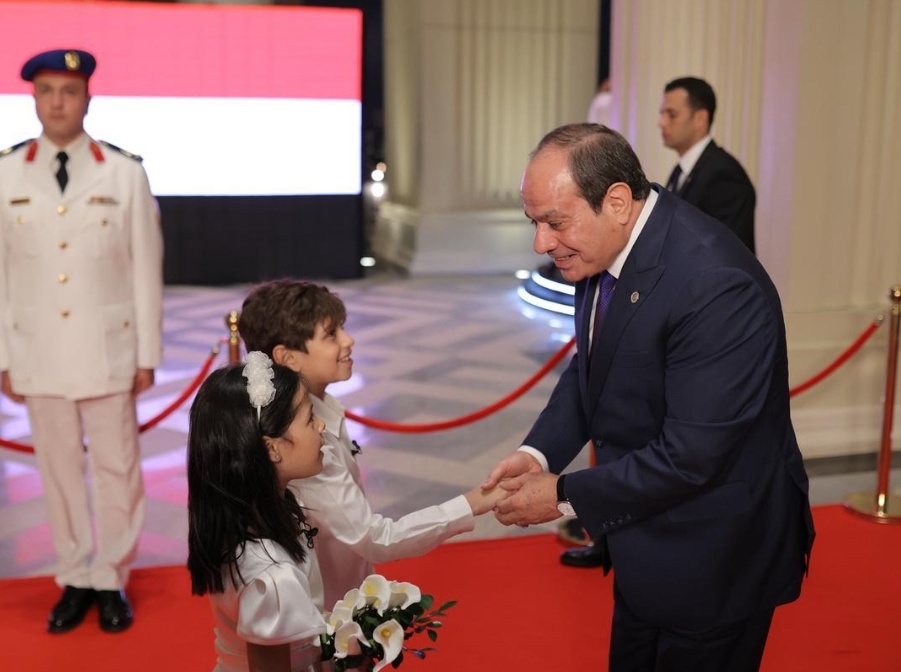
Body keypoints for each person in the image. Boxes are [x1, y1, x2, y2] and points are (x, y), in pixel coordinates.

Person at [483, 123, 814, 671]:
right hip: (646, 545)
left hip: (715, 558)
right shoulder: (602, 247)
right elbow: (594, 365)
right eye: (533, 222)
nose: (541, 243)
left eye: (555, 222)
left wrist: (562, 494)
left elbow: (692, 456)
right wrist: (538, 453)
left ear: (616, 202)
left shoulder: (714, 284)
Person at [0, 49, 163, 633]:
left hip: (106, 348)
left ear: (88, 98)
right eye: (46, 91)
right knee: (59, 470)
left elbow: (145, 268)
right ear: (33, 98)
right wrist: (3, 356)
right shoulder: (6, 172)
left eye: (68, 91)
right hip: (37, 349)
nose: (57, 102)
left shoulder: (123, 172)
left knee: (118, 469)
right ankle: (73, 575)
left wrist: (147, 353)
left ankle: (110, 576)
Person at [238, 279, 504, 609]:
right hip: (322, 604)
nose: (348, 340)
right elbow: (373, 538)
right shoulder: (302, 443)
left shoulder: (321, 406)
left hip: (346, 579)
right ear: (287, 357)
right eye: (331, 334)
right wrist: (474, 502)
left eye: (342, 328)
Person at [187, 354, 329, 672]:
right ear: (272, 448)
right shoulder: (272, 576)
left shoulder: (249, 512)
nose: (321, 425)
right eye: (310, 419)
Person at [658, 76, 756, 254]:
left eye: (672, 115)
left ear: (700, 119)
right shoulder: (680, 171)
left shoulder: (724, 174)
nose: (661, 123)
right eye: (662, 114)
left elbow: (726, 250)